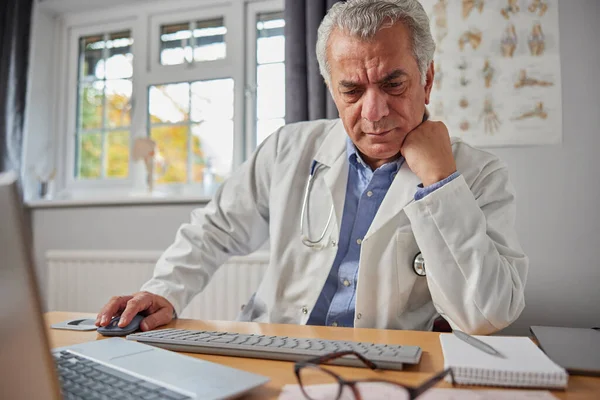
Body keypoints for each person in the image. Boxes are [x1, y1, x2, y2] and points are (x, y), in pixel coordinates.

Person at [96, 0, 528, 335]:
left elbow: (484, 316)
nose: (374, 111)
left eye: (393, 84)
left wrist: (440, 184)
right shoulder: (289, 148)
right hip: (271, 349)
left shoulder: (478, 174)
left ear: (427, 79)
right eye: (352, 91)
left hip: (383, 370)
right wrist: (164, 291)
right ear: (331, 89)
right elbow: (213, 230)